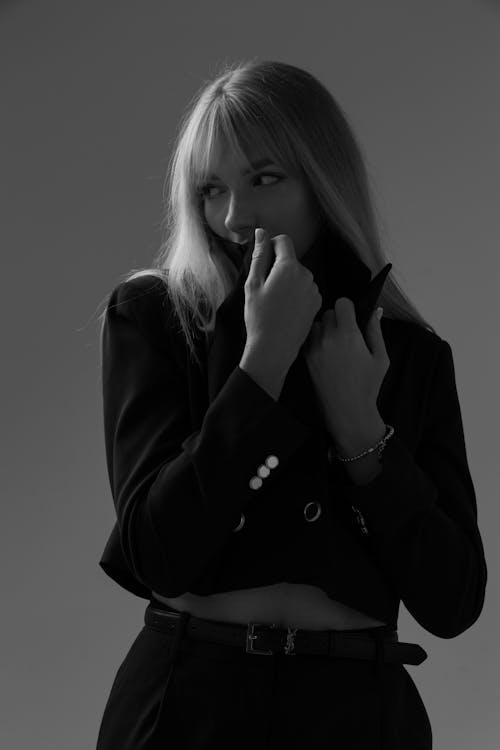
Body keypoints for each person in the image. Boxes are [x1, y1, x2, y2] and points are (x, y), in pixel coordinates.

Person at [95, 59, 487, 749]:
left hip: (361, 715)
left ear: (323, 182)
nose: (233, 216)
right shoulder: (155, 317)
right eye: (210, 189)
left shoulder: (410, 354)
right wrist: (261, 365)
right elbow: (156, 553)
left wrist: (362, 430)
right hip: (185, 706)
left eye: (265, 179)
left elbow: (453, 602)